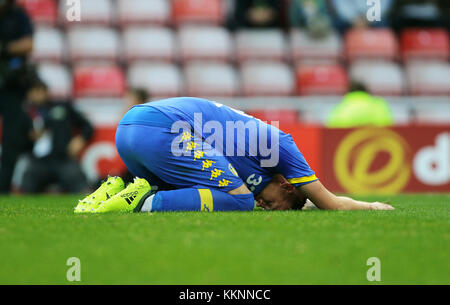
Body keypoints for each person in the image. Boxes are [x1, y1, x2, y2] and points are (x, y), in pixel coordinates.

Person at [75, 97, 394, 213]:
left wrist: (301, 202)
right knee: (239, 201)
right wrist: (373, 205)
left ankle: (113, 190)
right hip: (161, 130)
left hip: (130, 128)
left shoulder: (257, 164)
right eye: (276, 205)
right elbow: (331, 203)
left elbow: (304, 200)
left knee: (203, 193)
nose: (267, 209)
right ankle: (140, 204)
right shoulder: (281, 145)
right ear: (286, 185)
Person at [21, 79, 94, 193]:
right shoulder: (28, 113)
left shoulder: (62, 107)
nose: (35, 95)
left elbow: (87, 126)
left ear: (45, 91)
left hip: (64, 159)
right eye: (32, 92)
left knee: (82, 188)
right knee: (27, 184)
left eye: (37, 91)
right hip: (40, 162)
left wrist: (81, 139)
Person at [0, 0, 35, 193]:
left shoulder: (18, 14)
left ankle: (3, 187)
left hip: (11, 84)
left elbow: (28, 44)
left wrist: (4, 48)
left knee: (11, 139)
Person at [326, 82, 394, 128]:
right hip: (375, 145)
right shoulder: (379, 106)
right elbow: (389, 127)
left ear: (348, 92)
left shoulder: (340, 108)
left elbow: (333, 131)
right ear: (366, 91)